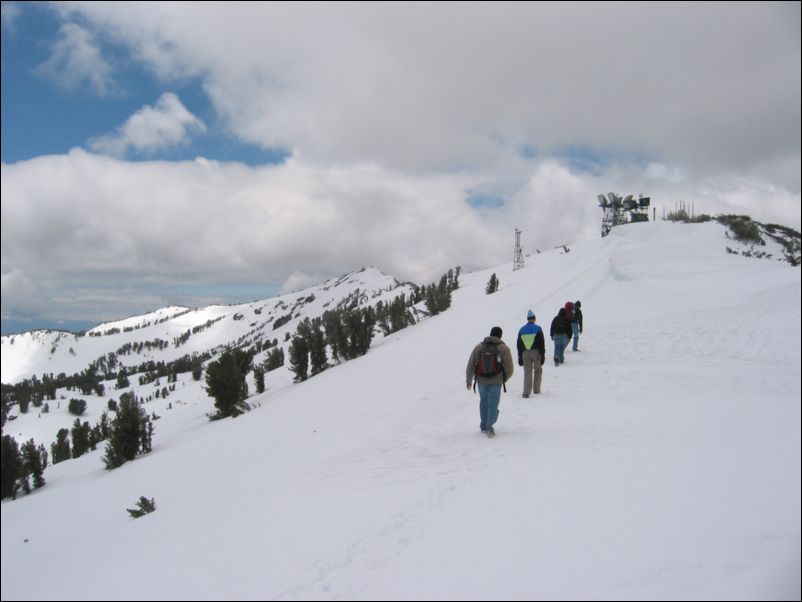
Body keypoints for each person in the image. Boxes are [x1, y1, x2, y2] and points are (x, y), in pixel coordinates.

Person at [466, 326, 514, 438]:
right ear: (500, 335)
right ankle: (489, 427)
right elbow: (510, 368)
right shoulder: (503, 348)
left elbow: (471, 363)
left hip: (481, 380)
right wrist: (504, 378)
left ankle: (483, 425)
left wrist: (469, 379)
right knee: (493, 403)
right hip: (496, 380)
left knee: (484, 401)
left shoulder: (479, 346)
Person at [516, 310, 545, 397]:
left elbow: (519, 344)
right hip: (536, 352)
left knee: (527, 372)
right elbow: (541, 343)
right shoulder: (538, 328)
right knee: (538, 370)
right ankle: (536, 389)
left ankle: (526, 392)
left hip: (525, 353)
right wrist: (542, 354)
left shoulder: (521, 329)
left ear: (527, 319)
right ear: (534, 318)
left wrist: (520, 356)